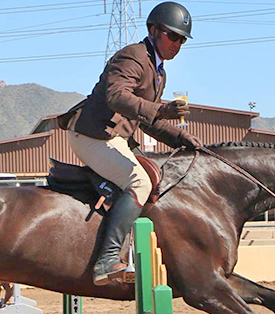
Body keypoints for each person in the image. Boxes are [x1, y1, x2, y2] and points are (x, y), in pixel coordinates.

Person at [57, 1, 202, 286]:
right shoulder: (133, 57)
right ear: (153, 30)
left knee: (158, 176)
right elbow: (116, 97)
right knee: (139, 182)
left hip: (116, 138)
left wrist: (182, 138)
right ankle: (107, 259)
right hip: (93, 135)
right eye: (172, 36)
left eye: (182, 39)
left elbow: (147, 120)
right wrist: (161, 110)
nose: (177, 44)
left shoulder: (158, 70)